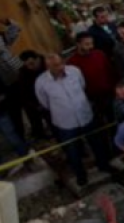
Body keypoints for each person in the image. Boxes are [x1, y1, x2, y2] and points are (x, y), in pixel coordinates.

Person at [35, 54, 114, 188]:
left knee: (97, 143)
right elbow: (45, 103)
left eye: (61, 63)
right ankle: (80, 175)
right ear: (48, 67)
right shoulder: (41, 82)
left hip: (85, 116)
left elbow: (82, 85)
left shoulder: (74, 71)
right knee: (72, 151)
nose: (60, 67)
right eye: (55, 66)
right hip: (65, 123)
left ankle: (104, 166)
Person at [68, 31, 118, 118]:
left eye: (92, 43)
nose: (91, 46)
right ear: (78, 44)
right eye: (87, 44)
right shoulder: (71, 63)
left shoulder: (100, 54)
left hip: (109, 94)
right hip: (91, 99)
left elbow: (110, 71)